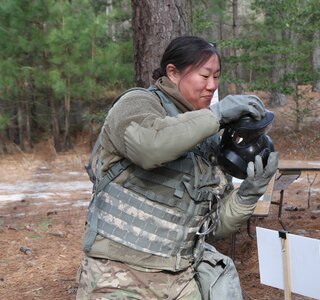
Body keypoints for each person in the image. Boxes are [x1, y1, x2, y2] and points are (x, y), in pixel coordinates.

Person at [76, 35, 278, 299]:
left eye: (216, 77)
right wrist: (216, 115)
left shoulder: (207, 139)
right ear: (172, 72)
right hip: (118, 276)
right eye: (204, 76)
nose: (212, 86)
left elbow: (212, 225)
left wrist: (248, 194)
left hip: (180, 279)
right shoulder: (137, 104)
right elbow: (149, 147)